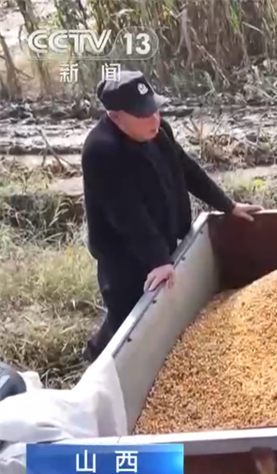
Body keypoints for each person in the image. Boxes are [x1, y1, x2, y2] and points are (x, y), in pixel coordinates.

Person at [81, 70, 262, 362]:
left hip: (160, 238)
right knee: (126, 317)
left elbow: (186, 169)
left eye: (154, 109)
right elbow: (126, 214)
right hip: (124, 257)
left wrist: (227, 205)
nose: (153, 119)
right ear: (116, 117)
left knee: (156, 312)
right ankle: (97, 361)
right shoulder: (101, 151)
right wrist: (158, 260)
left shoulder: (157, 131)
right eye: (143, 114)